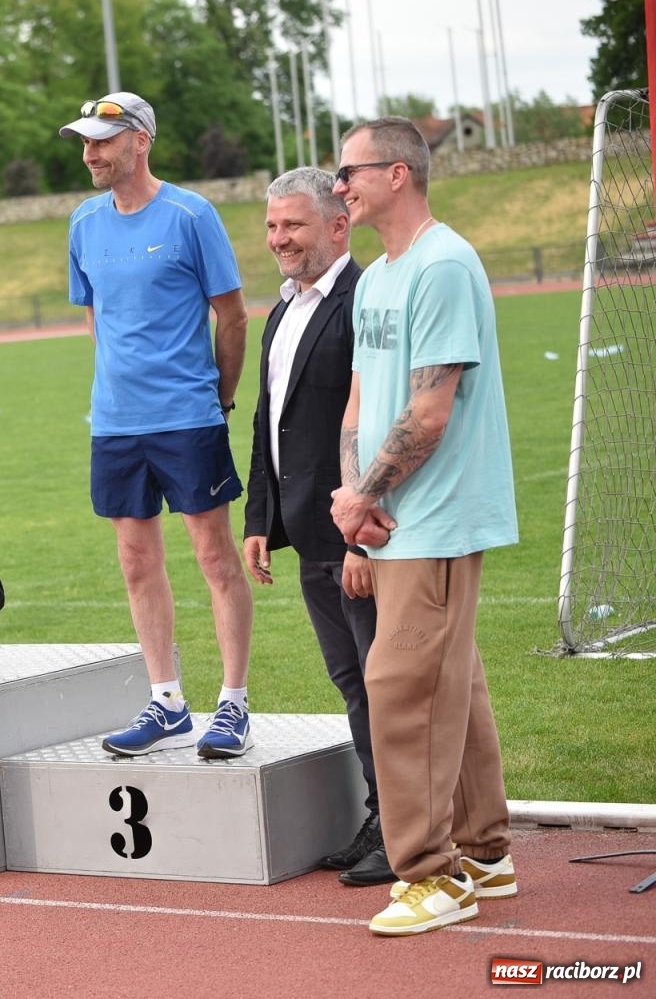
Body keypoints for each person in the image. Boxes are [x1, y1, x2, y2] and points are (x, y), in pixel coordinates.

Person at [328, 117, 518, 936]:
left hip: (434, 518)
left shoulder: (443, 264)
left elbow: (431, 410)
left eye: (351, 171)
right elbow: (364, 398)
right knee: (453, 681)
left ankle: (433, 876)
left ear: (398, 173)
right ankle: (487, 850)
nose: (341, 185)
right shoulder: (377, 278)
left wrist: (368, 495)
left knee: (400, 689)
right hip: (386, 514)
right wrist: (351, 500)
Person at [61, 92, 255, 760]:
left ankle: (233, 704)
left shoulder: (190, 215)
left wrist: (219, 401)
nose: (90, 153)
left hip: (188, 418)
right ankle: (167, 701)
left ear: (139, 141)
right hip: (116, 424)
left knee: (213, 558)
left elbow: (232, 318)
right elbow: (96, 319)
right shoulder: (83, 223)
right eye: (84, 142)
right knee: (137, 561)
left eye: (102, 141)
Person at [242, 167, 391, 886]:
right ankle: (382, 815)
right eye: (273, 227)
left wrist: (360, 535)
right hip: (307, 534)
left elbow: (373, 421)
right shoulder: (282, 310)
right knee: (352, 683)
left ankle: (404, 828)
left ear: (339, 226)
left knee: (381, 683)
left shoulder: (364, 301)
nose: (279, 240)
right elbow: (270, 422)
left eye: (293, 225)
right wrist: (259, 518)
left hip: (356, 537)